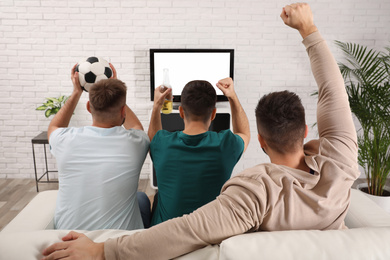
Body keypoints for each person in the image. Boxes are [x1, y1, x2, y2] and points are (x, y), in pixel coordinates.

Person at [42, 3, 360, 259]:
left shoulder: (253, 192)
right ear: (304, 130)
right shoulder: (341, 163)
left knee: (147, 199)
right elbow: (333, 92)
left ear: (263, 142)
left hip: (155, 225)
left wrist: (102, 250)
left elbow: (190, 229)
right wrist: (308, 30)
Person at [47, 63, 151, 231]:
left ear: (89, 107)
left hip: (68, 237)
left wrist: (76, 92)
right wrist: (116, 89)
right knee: (142, 199)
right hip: (118, 244)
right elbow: (137, 127)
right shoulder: (137, 142)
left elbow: (54, 127)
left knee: (139, 198)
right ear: (123, 110)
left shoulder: (63, 139)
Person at [149, 79, 250, 225]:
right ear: (214, 113)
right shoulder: (227, 145)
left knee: (154, 198)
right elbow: (244, 132)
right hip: (207, 233)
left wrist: (157, 106)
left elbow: (153, 137)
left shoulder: (161, 143)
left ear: (181, 112)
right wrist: (232, 96)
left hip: (165, 235)